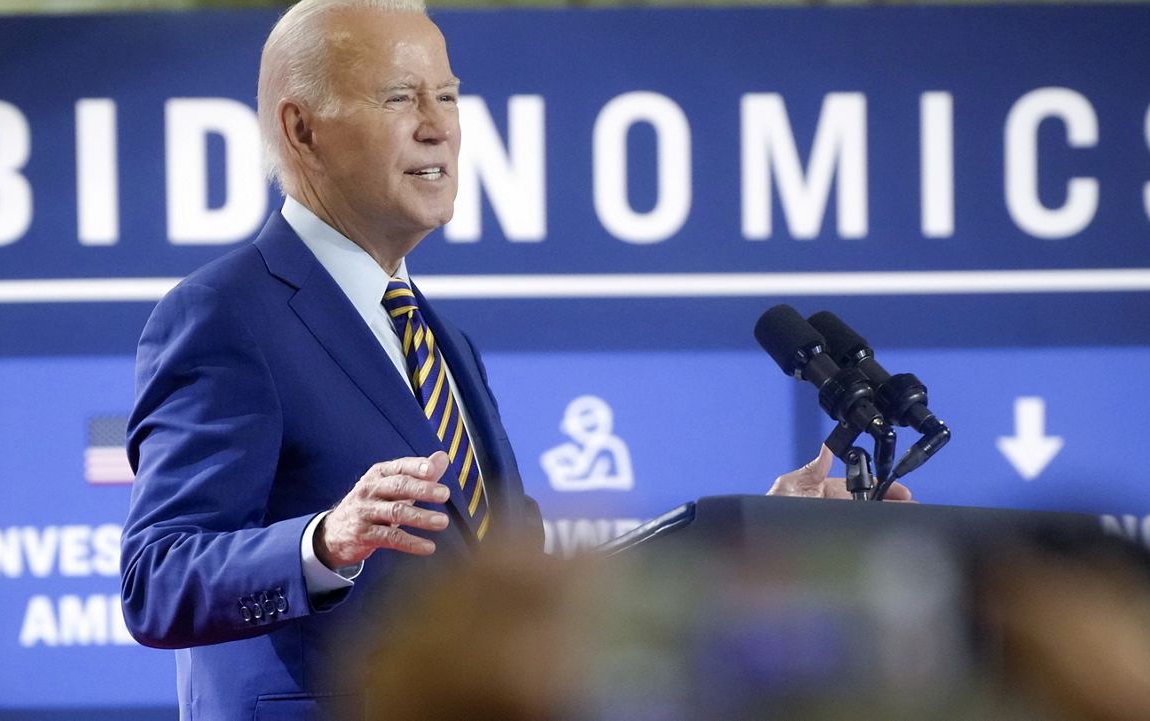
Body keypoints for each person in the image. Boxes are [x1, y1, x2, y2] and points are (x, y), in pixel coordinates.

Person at [119, 1, 908, 719]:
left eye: (449, 95)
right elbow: (156, 581)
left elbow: (522, 583)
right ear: (302, 128)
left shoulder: (442, 343)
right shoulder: (227, 313)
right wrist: (322, 541)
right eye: (400, 97)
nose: (440, 126)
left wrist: (752, 532)